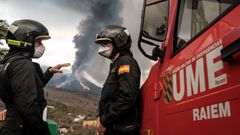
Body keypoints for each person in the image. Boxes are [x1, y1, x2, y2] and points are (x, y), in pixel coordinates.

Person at [0, 19, 70, 135]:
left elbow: (30, 87)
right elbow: (27, 106)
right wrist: (43, 130)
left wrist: (49, 72)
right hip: (23, 128)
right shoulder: (23, 65)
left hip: (13, 126)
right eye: (39, 41)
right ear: (25, 41)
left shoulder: (12, 63)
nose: (42, 46)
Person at [95, 25, 141, 135]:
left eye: (106, 43)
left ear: (119, 42)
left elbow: (127, 97)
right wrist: (99, 116)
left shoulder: (126, 62)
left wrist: (105, 120)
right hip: (113, 128)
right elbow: (108, 97)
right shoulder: (116, 65)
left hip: (122, 129)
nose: (103, 47)